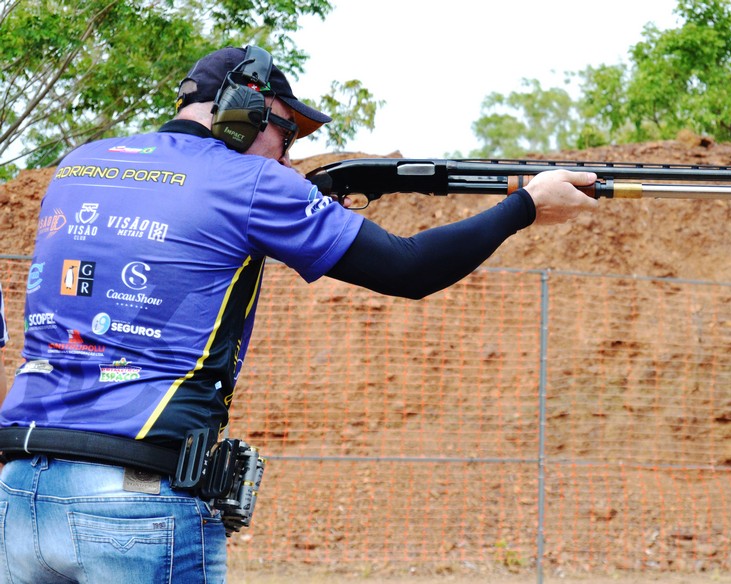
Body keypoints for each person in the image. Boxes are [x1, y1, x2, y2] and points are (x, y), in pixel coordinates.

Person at [0, 45, 596, 582]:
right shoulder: (252, 181)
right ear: (247, 110)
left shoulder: (80, 165)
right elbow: (410, 269)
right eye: (287, 135)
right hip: (137, 497)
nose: (290, 156)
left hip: (18, 490)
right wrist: (524, 206)